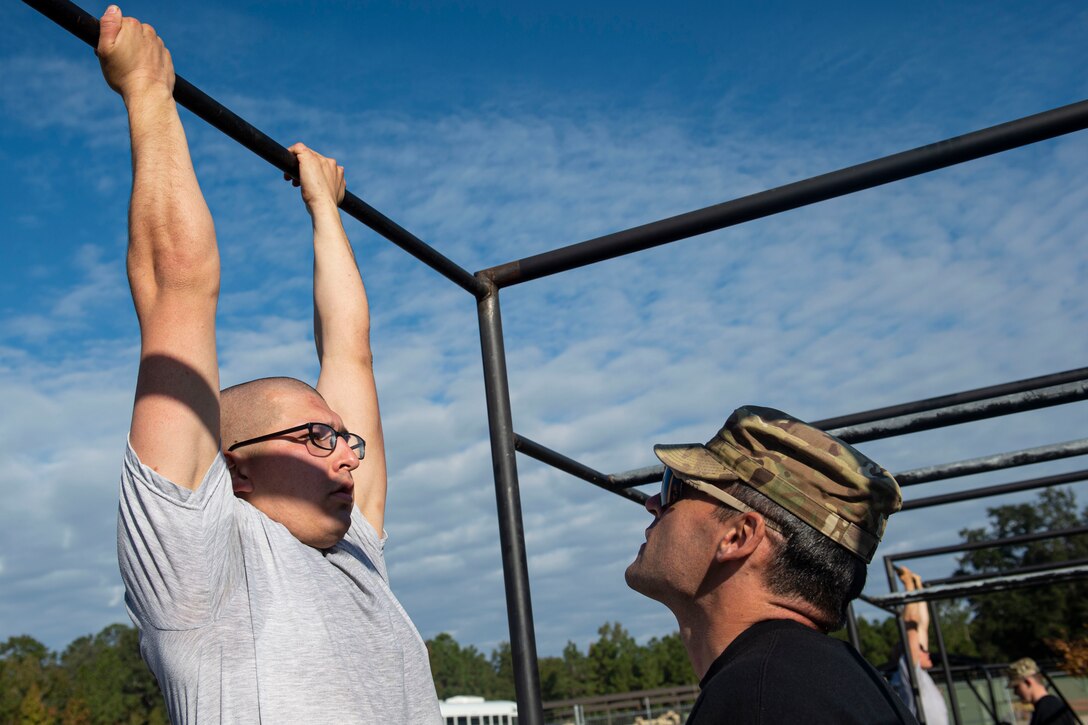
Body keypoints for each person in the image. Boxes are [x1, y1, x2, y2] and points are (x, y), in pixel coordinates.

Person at [97, 6, 441, 722]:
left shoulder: (360, 550)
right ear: (236, 468)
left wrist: (325, 211)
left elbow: (350, 346)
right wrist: (148, 96)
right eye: (318, 438)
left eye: (344, 439)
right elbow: (177, 288)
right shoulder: (200, 564)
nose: (347, 456)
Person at [625, 405, 917, 724]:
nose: (652, 503)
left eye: (675, 487)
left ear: (739, 536)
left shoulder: (758, 699)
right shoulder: (842, 684)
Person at [889, 567, 950, 725]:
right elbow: (911, 625)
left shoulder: (918, 674)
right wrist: (909, 586)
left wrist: (918, 587)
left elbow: (922, 626)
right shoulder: (909, 671)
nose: (927, 652)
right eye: (921, 649)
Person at [1007, 658, 1078, 725]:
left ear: (1028, 682)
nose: (1015, 692)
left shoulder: (1048, 709)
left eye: (1017, 687)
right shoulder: (1047, 706)